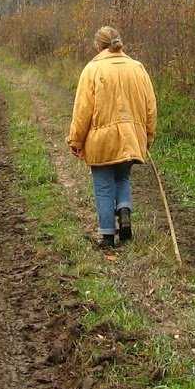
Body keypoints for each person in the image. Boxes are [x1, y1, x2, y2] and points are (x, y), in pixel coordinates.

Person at [67, 25, 157, 248]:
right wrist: (148, 136)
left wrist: (76, 140)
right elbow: (150, 107)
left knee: (104, 185)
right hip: (131, 137)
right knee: (122, 178)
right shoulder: (138, 68)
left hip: (101, 141)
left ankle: (107, 236)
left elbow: (83, 110)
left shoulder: (92, 70)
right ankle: (124, 210)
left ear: (98, 46)